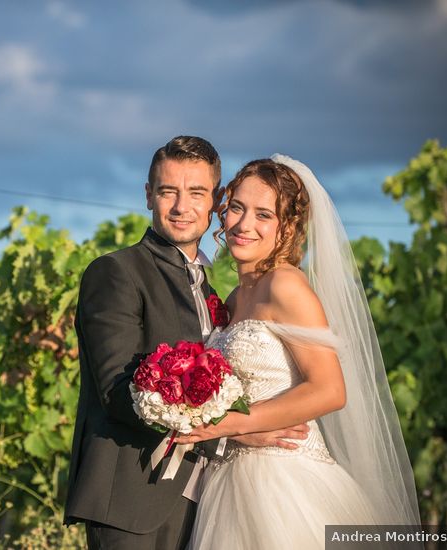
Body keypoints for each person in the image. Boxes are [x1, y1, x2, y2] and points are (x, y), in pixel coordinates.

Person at [63, 138, 309, 550]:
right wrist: (232, 433)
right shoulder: (115, 273)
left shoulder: (216, 293)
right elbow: (118, 393)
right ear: (148, 195)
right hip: (132, 500)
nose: (181, 207)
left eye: (196, 192)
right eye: (167, 191)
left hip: (207, 501)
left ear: (214, 201)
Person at [175, 155, 421, 549]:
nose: (243, 224)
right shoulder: (238, 296)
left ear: (287, 227)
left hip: (283, 480)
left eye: (263, 215)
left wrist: (231, 425)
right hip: (229, 477)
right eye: (237, 207)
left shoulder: (285, 285)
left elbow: (329, 389)